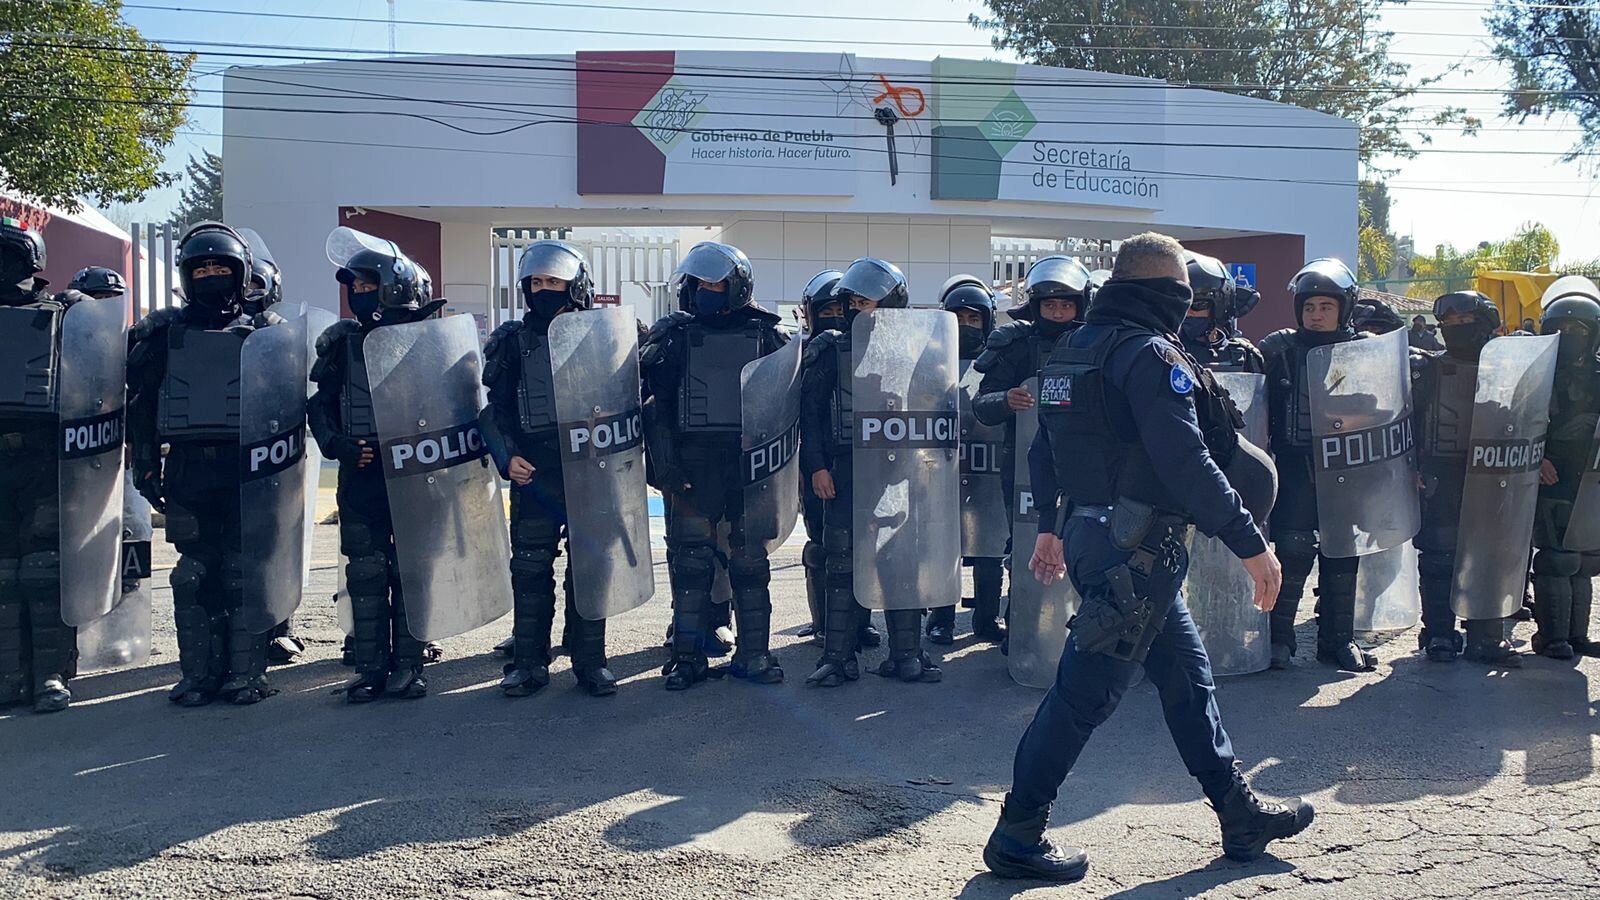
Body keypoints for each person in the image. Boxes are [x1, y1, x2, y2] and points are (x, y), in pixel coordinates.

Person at [983, 232, 1310, 881]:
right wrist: (1251, 544)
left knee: (1188, 679)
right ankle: (1016, 835)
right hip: (1135, 556)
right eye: (1182, 292)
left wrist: (1050, 526)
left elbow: (1044, 448)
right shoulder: (1150, 355)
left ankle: (1238, 814)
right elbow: (1184, 460)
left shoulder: (1073, 348)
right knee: (1083, 696)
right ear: (1165, 292)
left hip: (1101, 542)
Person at [128, 222, 280, 706]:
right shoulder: (164, 334)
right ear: (187, 276)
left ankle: (246, 675)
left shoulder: (265, 333)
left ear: (241, 273)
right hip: (188, 470)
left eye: (220, 267)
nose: (211, 275)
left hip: (247, 470)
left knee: (241, 573)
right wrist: (145, 465)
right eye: (201, 269)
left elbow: (287, 404)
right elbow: (141, 404)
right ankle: (198, 675)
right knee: (192, 576)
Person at [642, 242, 789, 690]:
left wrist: (777, 467)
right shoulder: (674, 337)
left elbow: (787, 405)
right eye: (700, 283)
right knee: (690, 565)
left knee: (749, 564)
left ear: (735, 287)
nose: (706, 290)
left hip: (750, 468)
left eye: (715, 283)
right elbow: (656, 407)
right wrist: (665, 466)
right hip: (694, 467)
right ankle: (686, 659)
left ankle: (755, 656)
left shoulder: (768, 336)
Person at [308, 230, 445, 702]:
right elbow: (320, 406)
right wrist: (338, 445)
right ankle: (369, 669)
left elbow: (455, 407)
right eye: (356, 286)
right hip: (362, 479)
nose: (360, 293)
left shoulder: (429, 342)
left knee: (411, 573)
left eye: (369, 285)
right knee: (365, 575)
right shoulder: (343, 345)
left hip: (416, 478)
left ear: (395, 287)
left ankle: (409, 665)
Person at [478, 241, 618, 697]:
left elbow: (630, 401)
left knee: (589, 568)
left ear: (574, 286)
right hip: (535, 472)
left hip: (589, 471)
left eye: (553, 281)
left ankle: (591, 663)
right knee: (530, 570)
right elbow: (495, 411)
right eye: (536, 282)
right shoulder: (512, 342)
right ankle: (528, 665)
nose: (543, 290)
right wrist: (506, 457)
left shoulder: (604, 335)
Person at [802, 256, 944, 686]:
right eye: (854, 302)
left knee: (901, 561)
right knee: (842, 562)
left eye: (866, 302)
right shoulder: (831, 349)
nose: (857, 310)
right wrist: (817, 468)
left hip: (901, 470)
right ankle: (837, 658)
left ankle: (907, 656)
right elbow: (810, 416)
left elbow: (938, 409)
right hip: (845, 469)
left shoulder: (919, 349)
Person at [1257, 258, 1380, 672]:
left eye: (1326, 306)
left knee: (1343, 553)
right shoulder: (1279, 349)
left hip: (1348, 466)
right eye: (1309, 307)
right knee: (1291, 551)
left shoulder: (1363, 351)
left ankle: (1338, 641)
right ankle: (1278, 638)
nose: (1316, 314)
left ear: (1344, 308)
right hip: (1295, 465)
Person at [1412, 292, 1523, 665]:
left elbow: (1530, 418)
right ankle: (1439, 634)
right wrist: (1411, 468)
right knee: (1439, 557)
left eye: (1465, 322)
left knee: (1489, 558)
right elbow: (1407, 424)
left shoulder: (1509, 372)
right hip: (1441, 474)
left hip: (1493, 472)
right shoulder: (1427, 369)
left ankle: (1486, 639)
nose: (1457, 329)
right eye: (1450, 323)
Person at [933, 275, 1008, 645]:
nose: (966, 325)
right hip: (943, 467)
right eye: (958, 318)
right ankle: (941, 620)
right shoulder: (931, 362)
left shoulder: (1000, 362)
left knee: (990, 548)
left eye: (974, 318)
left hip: (990, 467)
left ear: (987, 320)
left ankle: (987, 619)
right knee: (943, 547)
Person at [1531, 282, 1600, 659]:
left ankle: (1577, 636)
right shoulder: (1536, 372)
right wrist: (1537, 457)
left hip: (1589, 477)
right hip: (1550, 473)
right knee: (1557, 558)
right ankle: (1552, 637)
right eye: (1560, 328)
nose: (1568, 335)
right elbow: (1514, 420)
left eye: (1578, 329)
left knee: (1584, 559)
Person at [1178, 251, 1263, 373]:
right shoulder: (1166, 352)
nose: (1188, 312)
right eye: (1183, 306)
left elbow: (1259, 385)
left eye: (1197, 304)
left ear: (1220, 307)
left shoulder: (1246, 355)